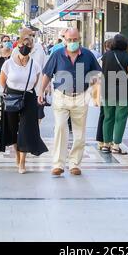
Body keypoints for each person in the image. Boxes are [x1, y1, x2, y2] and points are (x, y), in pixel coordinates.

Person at [38, 28, 101, 176]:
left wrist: (95, 88)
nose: (73, 43)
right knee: (60, 127)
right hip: (61, 96)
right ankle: (58, 164)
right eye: (70, 40)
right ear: (64, 40)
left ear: (79, 39)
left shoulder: (88, 55)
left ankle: (74, 164)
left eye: (75, 40)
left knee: (79, 132)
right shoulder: (57, 54)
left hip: (81, 96)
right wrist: (41, 91)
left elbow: (97, 74)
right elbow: (47, 74)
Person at [0, 36, 48, 174]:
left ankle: (22, 161)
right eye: (22, 44)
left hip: (28, 98)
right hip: (12, 97)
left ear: (31, 48)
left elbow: (36, 82)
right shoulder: (8, 64)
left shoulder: (35, 65)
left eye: (28, 45)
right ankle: (17, 154)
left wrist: (40, 95)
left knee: (25, 130)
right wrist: (11, 92)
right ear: (17, 46)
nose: (25, 47)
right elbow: (2, 81)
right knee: (13, 129)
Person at [100, 34, 128, 155]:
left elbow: (101, 73)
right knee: (120, 118)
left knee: (108, 117)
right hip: (123, 90)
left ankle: (106, 145)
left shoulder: (106, 55)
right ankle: (116, 146)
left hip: (107, 89)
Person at [12, 28, 47, 122]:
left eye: (33, 35)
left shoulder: (39, 48)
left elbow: (45, 68)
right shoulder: (16, 51)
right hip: (20, 91)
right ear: (22, 36)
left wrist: (47, 86)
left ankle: (35, 135)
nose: (31, 37)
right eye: (29, 35)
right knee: (23, 117)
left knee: (38, 117)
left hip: (38, 89)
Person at [95, 38, 114, 150]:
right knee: (109, 115)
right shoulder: (103, 59)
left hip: (105, 90)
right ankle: (107, 140)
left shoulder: (101, 59)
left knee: (104, 115)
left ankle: (102, 140)